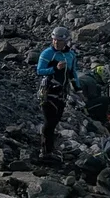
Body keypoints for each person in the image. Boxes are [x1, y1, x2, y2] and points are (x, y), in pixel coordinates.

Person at [36, 26, 81, 158]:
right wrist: (55, 68)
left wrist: (78, 89)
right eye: (54, 40)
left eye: (59, 41)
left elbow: (73, 73)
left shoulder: (71, 55)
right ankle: (45, 152)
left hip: (62, 94)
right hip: (48, 92)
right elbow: (39, 71)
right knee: (49, 122)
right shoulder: (47, 53)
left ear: (66, 41)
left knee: (55, 121)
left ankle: (50, 148)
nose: (56, 43)